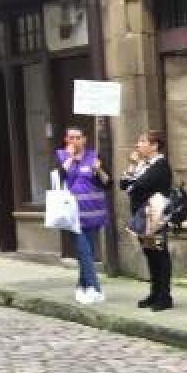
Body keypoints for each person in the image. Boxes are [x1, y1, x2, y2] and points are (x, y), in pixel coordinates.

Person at [56, 126, 112, 304]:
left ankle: (81, 287)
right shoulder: (62, 157)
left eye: (78, 137)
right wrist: (70, 158)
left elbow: (108, 183)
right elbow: (58, 179)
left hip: (93, 214)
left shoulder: (94, 156)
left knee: (87, 253)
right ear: (66, 140)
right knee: (85, 251)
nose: (74, 141)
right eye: (71, 138)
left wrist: (99, 170)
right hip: (73, 215)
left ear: (84, 139)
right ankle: (94, 289)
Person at [120, 130, 174, 311]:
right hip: (141, 216)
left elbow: (138, 186)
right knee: (150, 254)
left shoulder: (160, 165)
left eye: (142, 141)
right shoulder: (142, 164)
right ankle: (154, 292)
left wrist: (132, 183)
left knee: (160, 255)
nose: (138, 145)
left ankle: (165, 296)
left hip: (156, 217)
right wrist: (132, 166)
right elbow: (123, 184)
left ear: (154, 145)